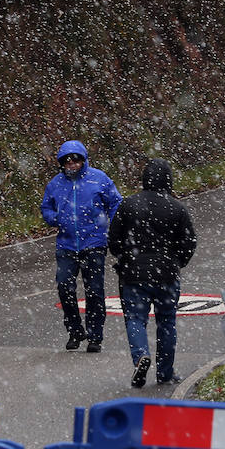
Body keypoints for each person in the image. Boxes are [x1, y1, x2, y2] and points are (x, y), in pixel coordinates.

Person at [107, 158, 197, 387]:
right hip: (167, 274)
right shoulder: (178, 208)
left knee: (135, 318)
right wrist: (177, 262)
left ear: (145, 179)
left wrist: (125, 258)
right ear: (169, 180)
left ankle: (140, 356)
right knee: (167, 322)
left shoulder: (129, 205)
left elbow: (114, 239)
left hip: (134, 273)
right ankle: (165, 372)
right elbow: (189, 242)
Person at [40, 140, 122, 352]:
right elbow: (46, 207)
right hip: (66, 244)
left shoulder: (99, 179)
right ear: (62, 163)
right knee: (64, 288)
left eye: (76, 160)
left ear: (84, 160)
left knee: (94, 290)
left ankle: (95, 336)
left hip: (93, 242)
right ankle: (75, 330)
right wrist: (55, 218)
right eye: (68, 161)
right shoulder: (55, 184)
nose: (73, 164)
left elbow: (115, 202)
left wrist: (113, 227)